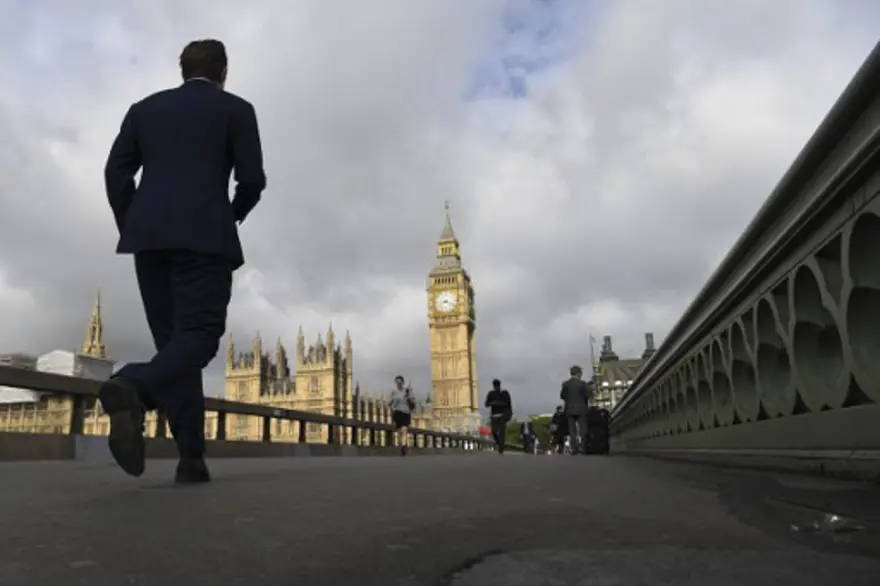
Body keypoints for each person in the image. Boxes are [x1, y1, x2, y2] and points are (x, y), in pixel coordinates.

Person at [100, 39, 267, 483]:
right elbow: (252, 180)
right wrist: (229, 215)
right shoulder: (236, 110)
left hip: (148, 242)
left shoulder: (143, 110)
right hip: (205, 239)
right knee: (200, 336)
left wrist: (133, 222)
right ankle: (132, 386)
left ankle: (191, 458)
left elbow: (116, 172)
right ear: (223, 73)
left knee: (175, 347)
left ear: (182, 70)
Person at [560, 365, 590, 455]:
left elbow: (562, 396)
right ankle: (583, 447)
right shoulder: (583, 384)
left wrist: (569, 400)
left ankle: (574, 448)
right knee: (583, 429)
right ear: (579, 373)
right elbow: (587, 396)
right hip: (581, 408)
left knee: (572, 430)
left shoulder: (566, 384)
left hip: (570, 409)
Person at [389, 375, 415, 456]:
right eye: (397, 382)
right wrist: (391, 405)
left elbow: (413, 402)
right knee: (399, 432)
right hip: (397, 413)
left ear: (403, 382)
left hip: (406, 412)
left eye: (400, 382)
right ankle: (403, 444)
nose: (398, 384)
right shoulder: (393, 392)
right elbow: (390, 402)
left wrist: (408, 398)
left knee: (404, 430)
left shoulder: (407, 391)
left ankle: (403, 446)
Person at [484, 379, 512, 454]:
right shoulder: (491, 394)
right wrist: (494, 403)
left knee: (502, 433)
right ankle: (499, 443)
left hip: (502, 415)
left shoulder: (504, 393)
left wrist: (495, 403)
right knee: (493, 431)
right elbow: (486, 404)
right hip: (494, 416)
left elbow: (507, 403)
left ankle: (501, 448)